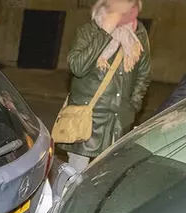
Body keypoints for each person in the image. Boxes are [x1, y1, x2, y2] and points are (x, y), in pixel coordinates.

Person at [57, 0, 151, 176]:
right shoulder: (88, 31)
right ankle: (60, 201)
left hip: (118, 121)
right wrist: (105, 33)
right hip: (87, 120)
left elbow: (143, 75)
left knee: (104, 180)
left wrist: (132, 107)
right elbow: (78, 66)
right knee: (74, 177)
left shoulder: (138, 36)